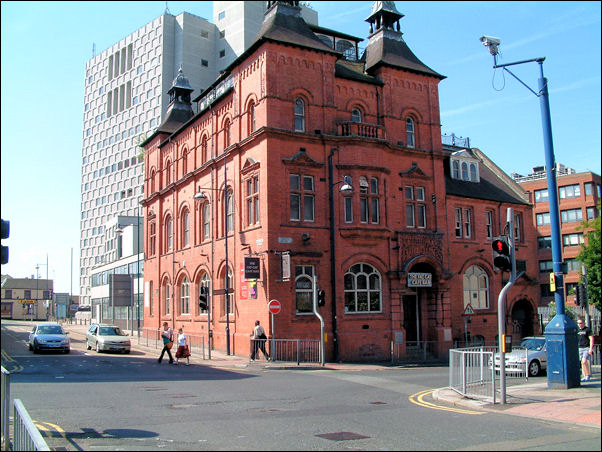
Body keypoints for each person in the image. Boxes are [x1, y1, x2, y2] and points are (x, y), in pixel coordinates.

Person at [577, 316, 594, 382]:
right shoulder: (577, 330)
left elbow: (591, 339)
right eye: (578, 323)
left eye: (580, 323)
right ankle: (584, 375)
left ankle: (588, 375)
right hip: (579, 347)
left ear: (583, 323)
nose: (579, 324)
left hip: (586, 347)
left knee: (584, 361)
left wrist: (590, 348)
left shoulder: (587, 330)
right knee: (582, 362)